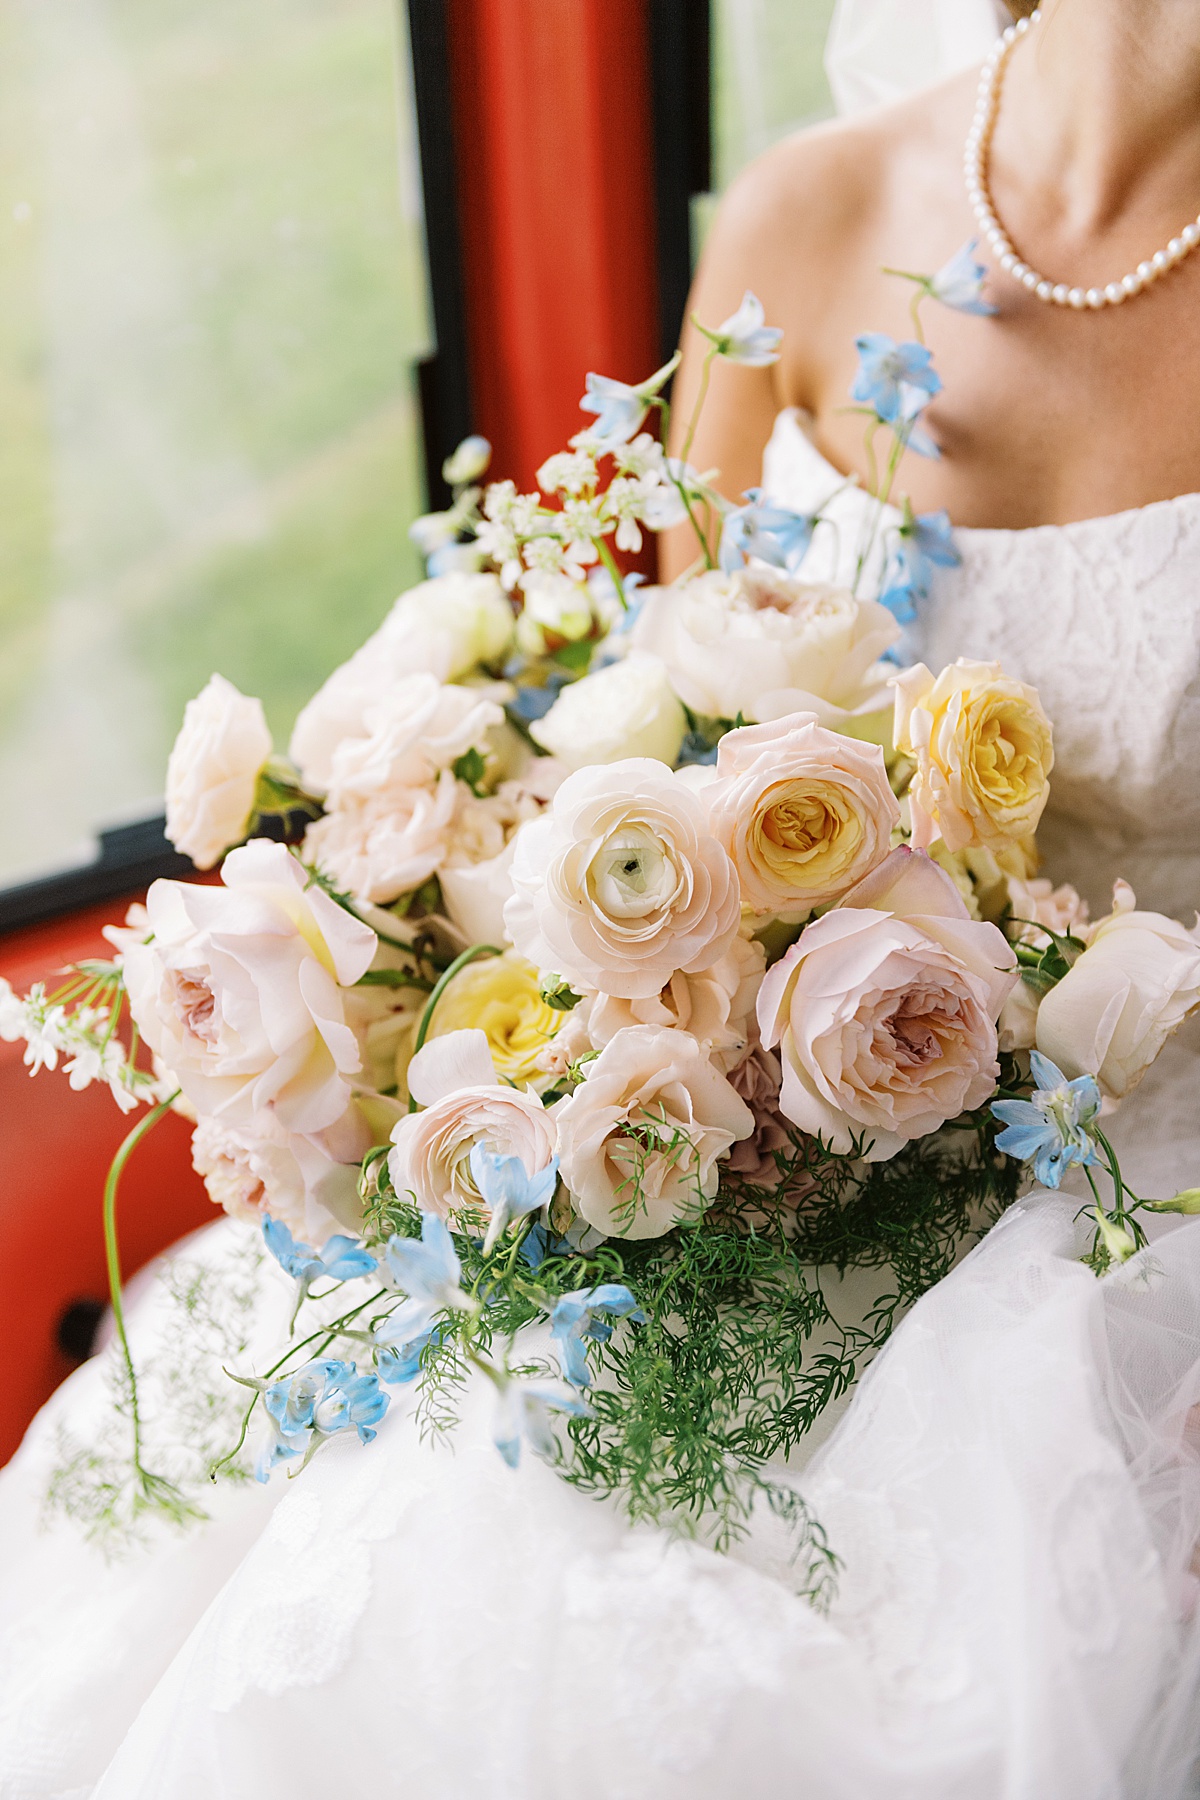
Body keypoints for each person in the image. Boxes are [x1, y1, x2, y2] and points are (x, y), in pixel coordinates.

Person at [3, 3, 1200, 1795]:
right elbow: (659, 726)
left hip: (1144, 1159)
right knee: (439, 1520)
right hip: (749, 1106)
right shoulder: (812, 210)